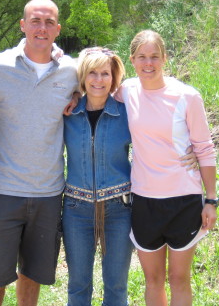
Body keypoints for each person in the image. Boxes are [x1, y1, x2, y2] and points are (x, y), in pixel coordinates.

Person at [0, 0, 79, 306]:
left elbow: (103, 80)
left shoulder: (71, 71)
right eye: (35, 20)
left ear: (57, 29)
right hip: (3, 191)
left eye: (49, 22)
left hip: (48, 193)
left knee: (32, 277)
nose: (42, 28)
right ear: (23, 25)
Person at [115, 30, 218, 306]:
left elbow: (205, 149)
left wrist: (211, 199)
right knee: (153, 280)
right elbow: (91, 80)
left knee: (179, 279)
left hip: (183, 200)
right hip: (144, 200)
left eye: (154, 57)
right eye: (142, 57)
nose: (148, 63)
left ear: (165, 58)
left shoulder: (187, 96)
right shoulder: (126, 91)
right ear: (132, 60)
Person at [62, 47, 133, 306]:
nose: (99, 80)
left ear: (114, 78)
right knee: (79, 285)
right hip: (76, 209)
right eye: (92, 72)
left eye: (105, 73)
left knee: (116, 285)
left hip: (119, 208)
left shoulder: (127, 114)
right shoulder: (68, 114)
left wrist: (190, 150)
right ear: (82, 76)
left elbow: (155, 143)